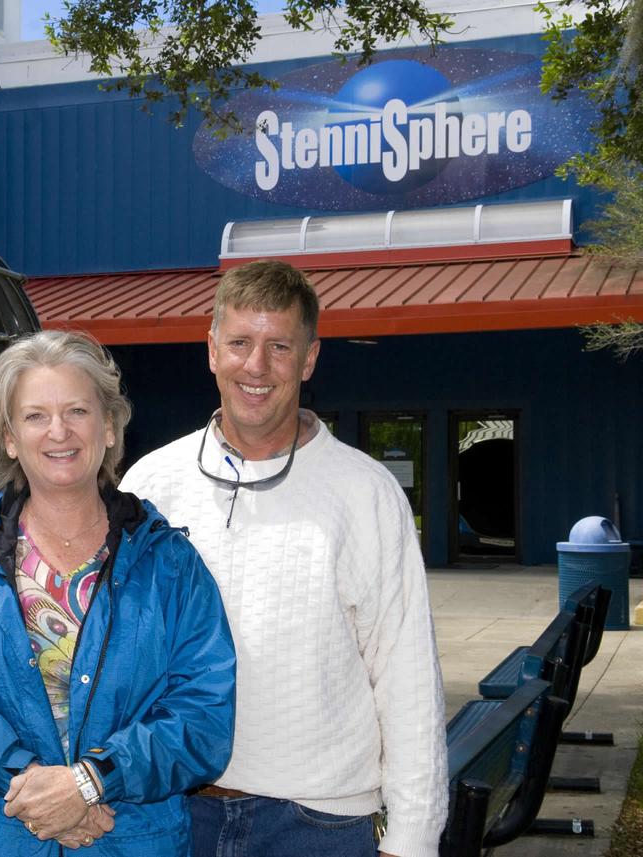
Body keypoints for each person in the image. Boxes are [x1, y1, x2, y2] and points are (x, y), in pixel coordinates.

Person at [119, 259, 447, 857]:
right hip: (169, 810)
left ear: (310, 358)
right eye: (240, 342)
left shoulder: (365, 492)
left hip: (316, 822)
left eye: (279, 346)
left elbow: (407, 679)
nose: (257, 366)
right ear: (212, 349)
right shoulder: (150, 485)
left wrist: (413, 838)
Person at [0, 330, 236, 855]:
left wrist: (92, 782)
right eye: (34, 416)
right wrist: (29, 783)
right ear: (8, 438)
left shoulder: (169, 564)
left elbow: (203, 714)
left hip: (130, 837)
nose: (58, 431)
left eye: (77, 410)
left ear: (110, 426)